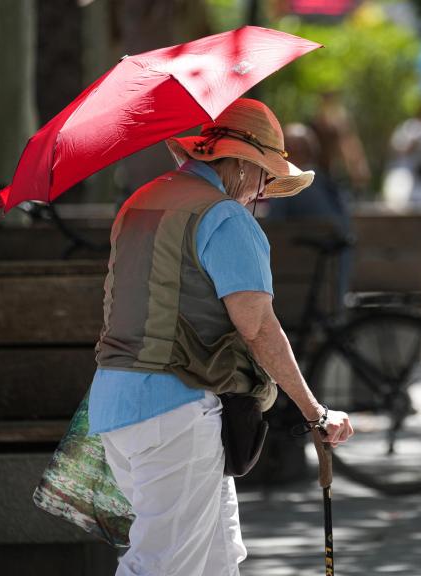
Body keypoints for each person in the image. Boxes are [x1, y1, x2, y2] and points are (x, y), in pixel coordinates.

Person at [87, 98, 354, 575]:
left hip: (112, 405)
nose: (262, 190)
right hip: (174, 412)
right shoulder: (225, 217)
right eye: (263, 176)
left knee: (217, 559)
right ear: (240, 162)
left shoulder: (139, 202)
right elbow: (258, 326)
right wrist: (315, 411)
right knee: (162, 567)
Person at [266, 123, 353, 304]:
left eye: (285, 151)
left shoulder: (292, 184)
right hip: (335, 274)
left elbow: (273, 227)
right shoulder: (324, 180)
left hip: (302, 282)